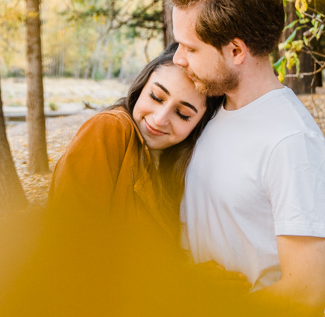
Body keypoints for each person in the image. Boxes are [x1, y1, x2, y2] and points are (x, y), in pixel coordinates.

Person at [164, 0, 325, 317]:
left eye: (191, 48)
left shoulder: (291, 142)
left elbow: (304, 294)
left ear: (236, 51)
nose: (178, 59)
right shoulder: (214, 110)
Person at [49, 44, 220, 236]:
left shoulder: (177, 168)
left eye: (182, 114)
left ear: (198, 123)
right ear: (142, 86)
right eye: (156, 97)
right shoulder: (109, 129)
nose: (160, 119)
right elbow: (70, 240)